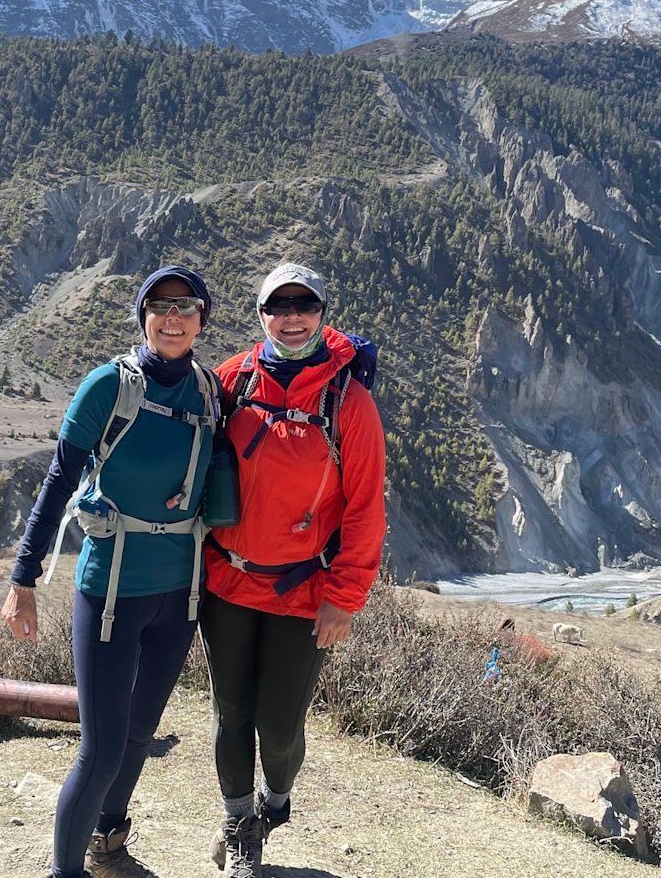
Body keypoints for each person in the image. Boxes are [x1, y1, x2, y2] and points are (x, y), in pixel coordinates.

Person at [1, 265, 220, 878]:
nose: (172, 317)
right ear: (142, 317)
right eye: (159, 306)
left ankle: (107, 836)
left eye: (185, 306)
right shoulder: (108, 386)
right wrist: (23, 579)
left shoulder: (209, 392)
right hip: (112, 592)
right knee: (99, 753)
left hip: (180, 596)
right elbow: (58, 482)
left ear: (203, 318)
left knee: (141, 733)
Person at [201, 263, 386, 878]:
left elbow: (365, 507)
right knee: (232, 711)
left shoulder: (348, 401)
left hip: (304, 590)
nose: (292, 316)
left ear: (322, 312)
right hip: (227, 580)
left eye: (304, 304)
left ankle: (274, 800)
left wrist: (346, 596)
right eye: (279, 306)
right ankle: (238, 825)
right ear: (261, 316)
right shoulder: (230, 381)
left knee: (280, 725)